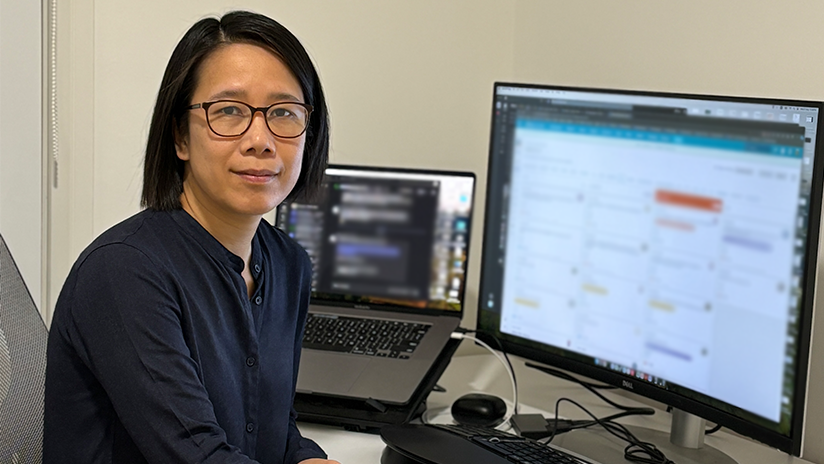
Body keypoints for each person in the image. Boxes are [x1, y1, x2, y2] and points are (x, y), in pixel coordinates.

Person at [44, 11, 340, 464]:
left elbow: (272, 424)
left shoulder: (289, 263)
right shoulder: (124, 272)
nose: (260, 140)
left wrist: (307, 457)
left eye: (283, 113)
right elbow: (196, 455)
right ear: (180, 137)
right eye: (229, 111)